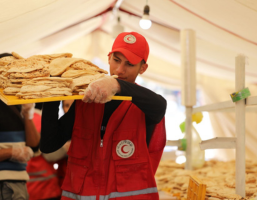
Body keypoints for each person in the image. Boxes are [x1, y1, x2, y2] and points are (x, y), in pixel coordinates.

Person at [40, 32, 167, 200]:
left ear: (142, 68)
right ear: (108, 58)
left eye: (129, 64)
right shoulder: (85, 102)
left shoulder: (145, 106)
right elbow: (49, 145)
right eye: (116, 60)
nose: (120, 70)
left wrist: (116, 84)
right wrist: (53, 94)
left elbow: (160, 105)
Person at [0, 52, 40, 200]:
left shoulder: (16, 102)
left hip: (18, 182)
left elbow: (34, 146)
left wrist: (28, 115)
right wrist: (10, 152)